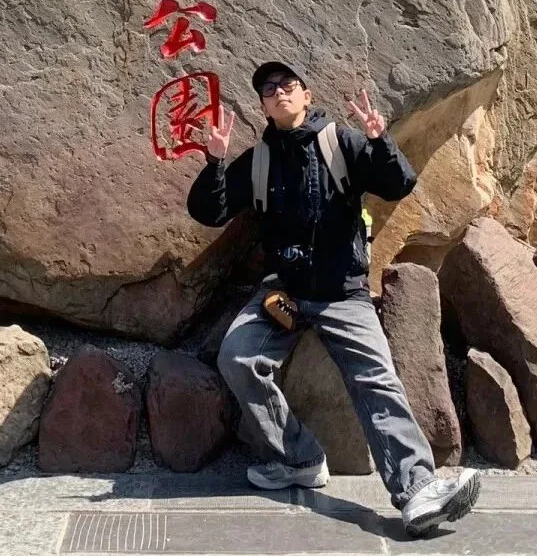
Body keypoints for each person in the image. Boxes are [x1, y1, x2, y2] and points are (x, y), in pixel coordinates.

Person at [186, 60, 480, 539]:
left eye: (287, 84)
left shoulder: (340, 142)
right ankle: (297, 458)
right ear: (263, 107)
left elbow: (398, 184)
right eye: (268, 90)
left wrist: (380, 141)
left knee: (376, 379)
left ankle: (417, 488)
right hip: (283, 293)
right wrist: (215, 162)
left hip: (344, 292)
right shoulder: (259, 159)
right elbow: (210, 212)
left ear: (306, 95)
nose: (278, 92)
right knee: (237, 357)